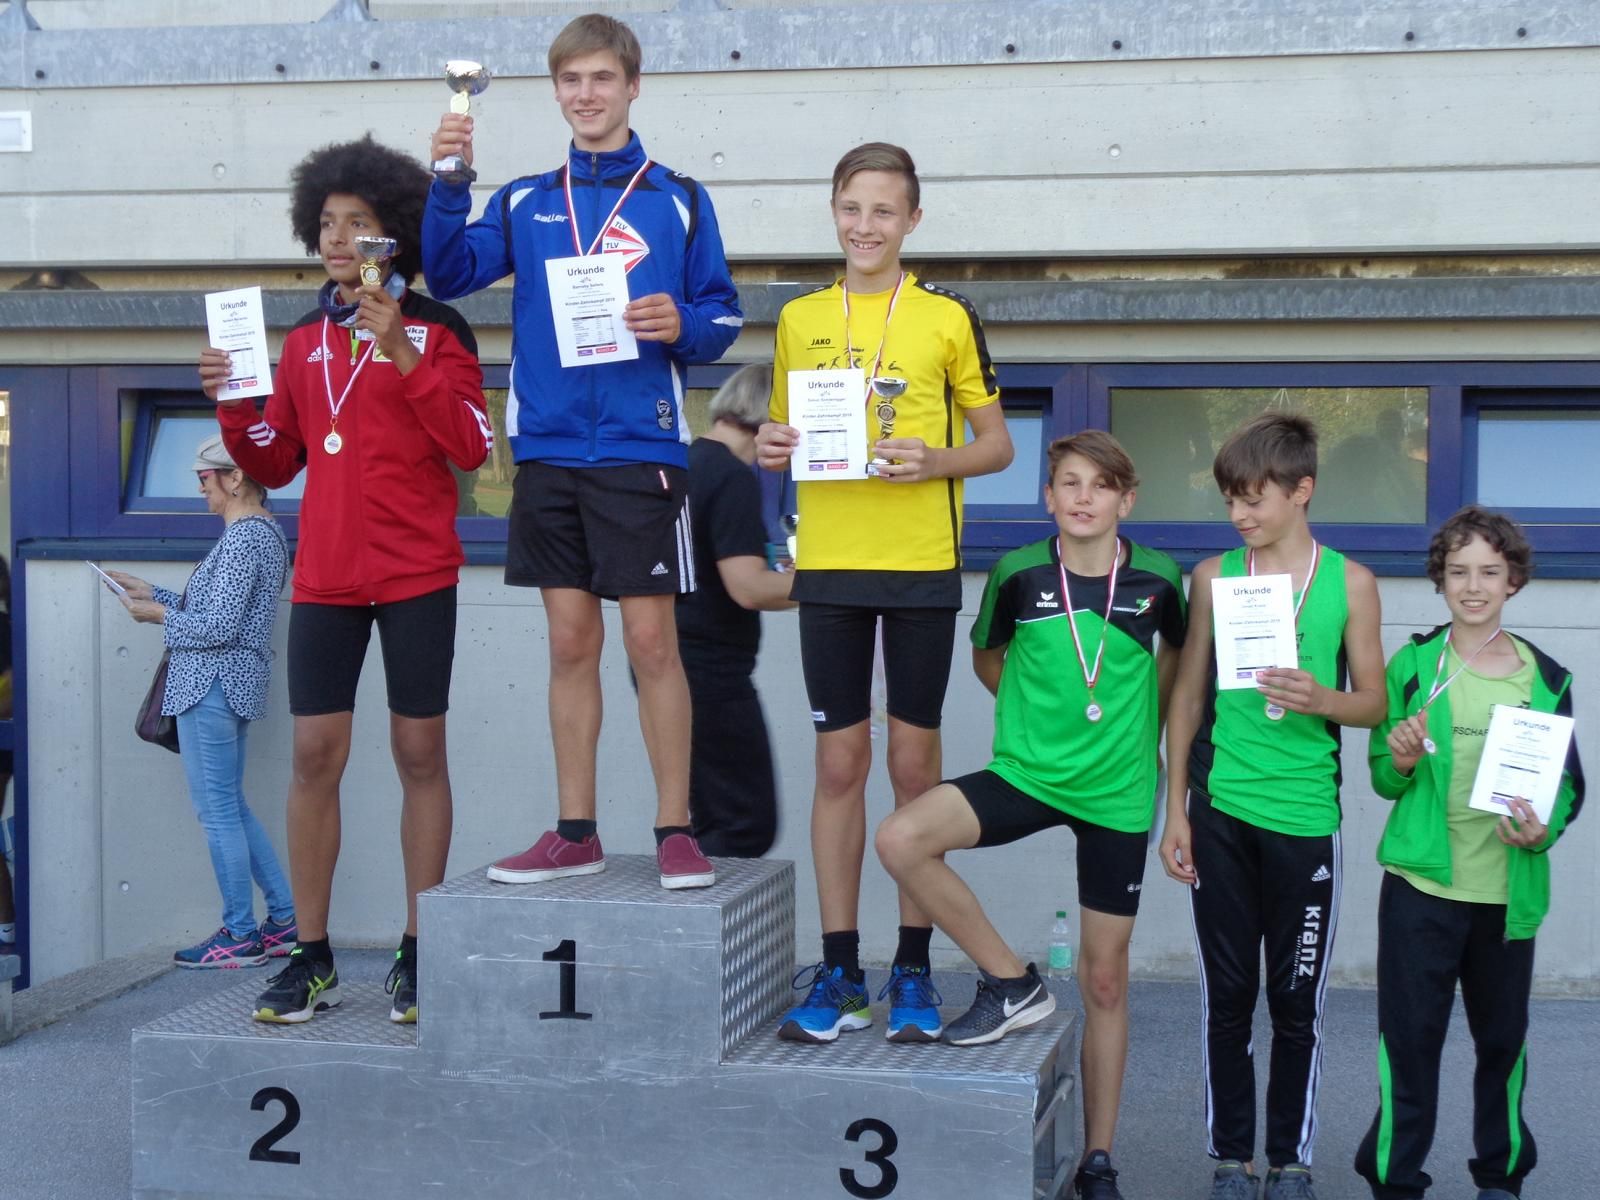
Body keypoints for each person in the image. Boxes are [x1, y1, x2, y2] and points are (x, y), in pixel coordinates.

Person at [422, 12, 742, 891]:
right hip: (551, 449)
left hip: (641, 445)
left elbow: (723, 314)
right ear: (556, 91)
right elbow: (447, 274)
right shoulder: (525, 201)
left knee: (650, 641)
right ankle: (575, 832)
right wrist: (448, 181)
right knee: (569, 642)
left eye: (603, 78)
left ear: (633, 86)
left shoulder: (677, 197)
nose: (587, 94)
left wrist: (682, 324)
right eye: (572, 80)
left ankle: (675, 828)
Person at [201, 135, 492, 1023]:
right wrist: (232, 403)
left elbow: (471, 446)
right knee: (314, 757)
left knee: (419, 754)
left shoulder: (439, 329)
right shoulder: (301, 339)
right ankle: (312, 954)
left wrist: (401, 349)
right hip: (326, 577)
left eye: (356, 222)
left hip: (415, 573)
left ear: (392, 235)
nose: (337, 238)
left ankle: (419, 949)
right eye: (326, 222)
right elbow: (277, 460)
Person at [877, 431, 1185, 1198]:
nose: (1084, 497)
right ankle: (1012, 983)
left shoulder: (1159, 579)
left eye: (1101, 485)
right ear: (1048, 497)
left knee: (1105, 980)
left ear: (1126, 500)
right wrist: (1035, 719)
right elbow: (990, 658)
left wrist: (1160, 769)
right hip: (1028, 774)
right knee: (902, 838)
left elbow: (1177, 674)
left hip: (1117, 794)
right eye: (1069, 483)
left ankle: (1098, 1160)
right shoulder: (1017, 573)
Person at [756, 142, 1013, 1044]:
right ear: (833, 211)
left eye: (883, 211)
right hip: (830, 564)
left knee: (911, 767)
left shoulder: (946, 317)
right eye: (851, 208)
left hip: (918, 565)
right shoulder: (800, 317)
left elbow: (997, 445)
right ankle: (839, 969)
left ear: (912, 220)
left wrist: (935, 460)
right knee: (839, 765)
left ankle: (912, 967)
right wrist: (770, 447)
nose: (865, 226)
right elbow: (783, 434)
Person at [1159, 412, 1386, 1200]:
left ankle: (1291, 1160)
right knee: (1227, 1000)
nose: (1239, 514)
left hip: (1305, 820)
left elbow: (1375, 703)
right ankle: (1233, 1158)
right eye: (1230, 499)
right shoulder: (1213, 577)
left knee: (1295, 1004)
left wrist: (1323, 698)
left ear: (1302, 490)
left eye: (1253, 498)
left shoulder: (1351, 583)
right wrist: (1175, 811)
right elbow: (1186, 698)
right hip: (1220, 813)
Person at [1354, 507, 1584, 1200]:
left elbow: (1567, 785)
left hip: (1505, 896)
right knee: (1409, 1044)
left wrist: (1542, 829)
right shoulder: (1414, 666)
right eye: (1459, 572)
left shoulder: (1546, 677)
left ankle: (1500, 1179)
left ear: (1513, 579)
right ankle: (1396, 1180)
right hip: (1420, 890)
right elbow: (1383, 774)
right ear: (1440, 579)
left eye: (1489, 571)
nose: (1474, 586)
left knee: (1502, 1044)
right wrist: (1399, 757)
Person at [107, 437, 295, 968]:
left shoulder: (244, 536)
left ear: (235, 478)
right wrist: (153, 593)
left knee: (218, 814)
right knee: (231, 807)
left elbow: (217, 627)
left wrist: (157, 615)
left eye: (204, 477)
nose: (199, 488)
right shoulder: (263, 533)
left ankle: (240, 934)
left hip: (210, 686)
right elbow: (214, 612)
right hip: (228, 686)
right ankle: (284, 922)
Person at [677, 364, 795, 857]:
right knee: (743, 824)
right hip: (712, 671)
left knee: (708, 817)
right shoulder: (731, 476)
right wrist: (833, 584)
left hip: (670, 663)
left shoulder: (686, 463)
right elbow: (748, 588)